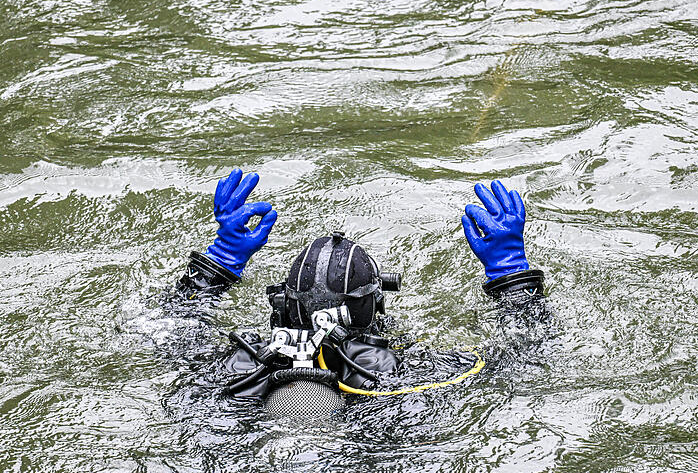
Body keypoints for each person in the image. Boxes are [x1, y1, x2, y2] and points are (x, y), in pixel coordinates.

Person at [175, 169, 547, 416]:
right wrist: (510, 271)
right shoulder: (400, 373)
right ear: (375, 307)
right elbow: (526, 357)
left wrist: (220, 259)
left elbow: (168, 328)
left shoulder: (240, 367)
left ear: (282, 304)